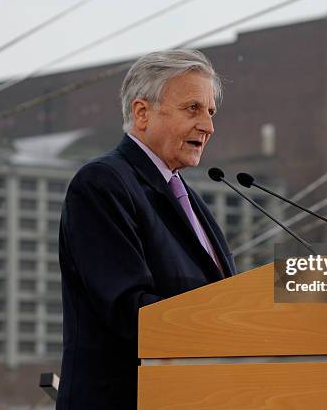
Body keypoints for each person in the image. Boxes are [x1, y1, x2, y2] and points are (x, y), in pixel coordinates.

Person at [56, 49, 236, 409]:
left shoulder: (191, 200)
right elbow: (130, 309)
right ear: (142, 113)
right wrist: (222, 328)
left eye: (210, 112)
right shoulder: (103, 183)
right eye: (192, 109)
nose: (208, 126)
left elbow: (228, 298)